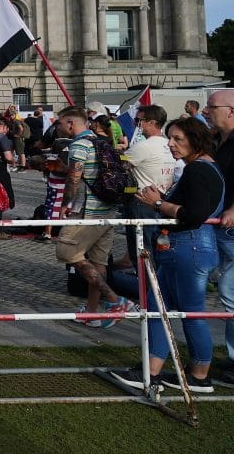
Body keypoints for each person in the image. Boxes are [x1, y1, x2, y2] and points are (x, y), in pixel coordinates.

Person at [110, 117, 225, 393]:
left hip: (188, 248)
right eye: (170, 138)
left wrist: (158, 203)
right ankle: (159, 371)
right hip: (190, 247)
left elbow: (194, 214)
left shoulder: (198, 169)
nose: (171, 145)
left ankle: (195, 375)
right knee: (160, 307)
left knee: (186, 311)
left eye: (178, 139)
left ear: (195, 141)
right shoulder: (207, 168)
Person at [54, 107, 138, 327]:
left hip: (86, 211)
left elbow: (74, 177)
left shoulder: (79, 145)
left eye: (60, 123)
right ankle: (92, 312)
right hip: (108, 209)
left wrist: (66, 204)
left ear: (71, 123)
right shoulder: (102, 142)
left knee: (66, 251)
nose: (58, 127)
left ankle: (114, 299)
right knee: (98, 261)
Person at [203, 88, 234, 385]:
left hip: (231, 229)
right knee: (228, 292)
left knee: (230, 290)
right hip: (219, 228)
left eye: (211, 106)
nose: (205, 110)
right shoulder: (219, 142)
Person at [122, 104, 176, 259]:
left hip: (141, 199)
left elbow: (119, 167)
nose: (135, 124)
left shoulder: (143, 146)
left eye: (138, 121)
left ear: (152, 122)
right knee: (157, 244)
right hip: (162, 198)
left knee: (141, 248)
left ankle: (145, 281)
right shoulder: (169, 144)